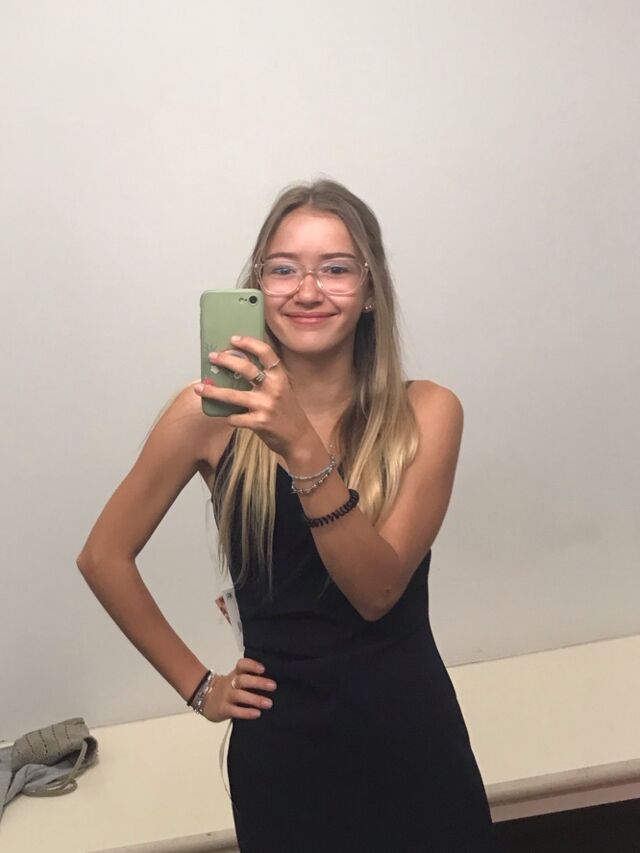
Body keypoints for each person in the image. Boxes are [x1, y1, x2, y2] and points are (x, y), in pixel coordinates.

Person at [77, 178, 497, 852]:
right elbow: (103, 556)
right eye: (283, 269)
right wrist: (200, 687)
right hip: (283, 754)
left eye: (335, 268)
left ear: (369, 290)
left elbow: (376, 592)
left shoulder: (427, 412)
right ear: (257, 287)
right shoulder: (208, 416)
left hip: (410, 736)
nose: (307, 290)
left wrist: (300, 445)